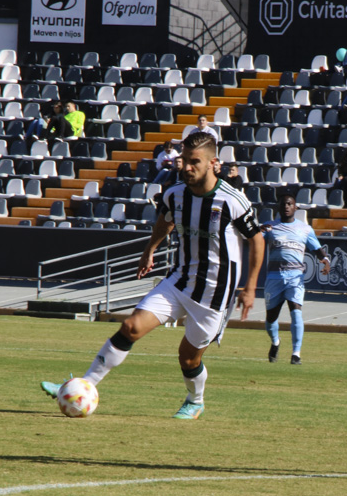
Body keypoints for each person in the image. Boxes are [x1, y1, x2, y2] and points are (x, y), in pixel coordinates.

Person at [40, 132, 264, 419]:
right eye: (184, 160)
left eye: (195, 162)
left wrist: (250, 287)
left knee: (187, 358)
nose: (187, 167)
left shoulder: (232, 201)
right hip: (179, 280)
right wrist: (150, 249)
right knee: (131, 327)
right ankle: (81, 386)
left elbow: (257, 240)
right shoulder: (174, 194)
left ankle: (195, 401)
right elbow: (165, 221)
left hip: (213, 294)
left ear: (213, 163)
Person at [261, 194, 330, 366]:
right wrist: (258, 232)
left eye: (290, 204)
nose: (286, 206)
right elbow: (254, 242)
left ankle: (296, 353)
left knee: (296, 311)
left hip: (295, 277)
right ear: (279, 207)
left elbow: (317, 248)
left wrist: (326, 260)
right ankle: (275, 341)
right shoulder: (270, 227)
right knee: (270, 320)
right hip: (274, 277)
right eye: (283, 204)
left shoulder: (305, 229)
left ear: (295, 208)